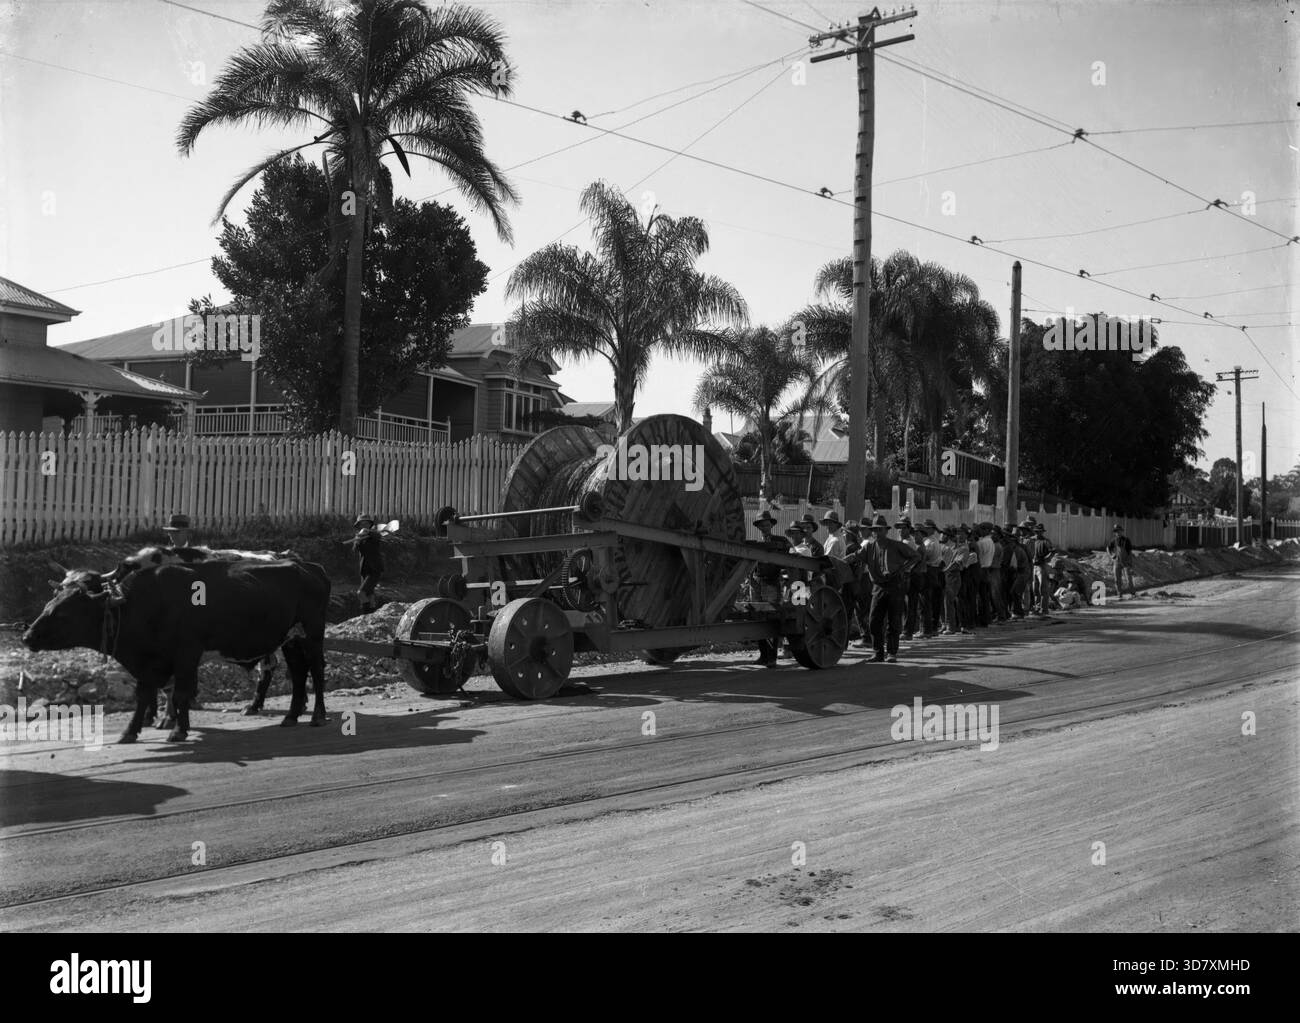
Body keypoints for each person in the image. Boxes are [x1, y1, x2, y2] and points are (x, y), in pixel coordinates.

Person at [862, 513, 922, 663]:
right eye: (874, 530)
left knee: (894, 621)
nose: (876, 533)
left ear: (886, 531)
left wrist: (903, 569)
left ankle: (892, 653)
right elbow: (856, 556)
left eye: (879, 530)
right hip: (878, 586)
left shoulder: (896, 545)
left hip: (895, 585)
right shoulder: (869, 547)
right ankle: (878, 652)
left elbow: (915, 556)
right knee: (874, 620)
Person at [749, 510, 789, 666]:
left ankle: (772, 657)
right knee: (758, 618)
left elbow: (791, 559)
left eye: (767, 524)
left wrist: (784, 576)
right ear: (759, 527)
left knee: (771, 618)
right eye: (761, 525)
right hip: (757, 582)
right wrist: (750, 578)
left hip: (772, 582)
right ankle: (763, 655)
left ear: (771, 525)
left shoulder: (781, 542)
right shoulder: (756, 544)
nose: (764, 527)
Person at [350, 514, 386, 613]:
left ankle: (366, 615)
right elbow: (355, 549)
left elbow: (377, 536)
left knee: (361, 593)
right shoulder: (359, 536)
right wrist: (358, 539)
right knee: (369, 594)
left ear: (370, 524)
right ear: (359, 525)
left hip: (374, 569)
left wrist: (368, 532)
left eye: (366, 523)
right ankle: (372, 614)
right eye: (362, 523)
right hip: (364, 570)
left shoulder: (374, 534)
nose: (364, 525)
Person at [939, 525, 968, 635]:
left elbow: (957, 564)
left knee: (949, 600)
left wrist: (945, 570)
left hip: (953, 577)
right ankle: (944, 624)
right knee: (943, 600)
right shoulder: (947, 548)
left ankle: (951, 626)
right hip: (945, 576)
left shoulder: (963, 549)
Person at [922, 519, 944, 637]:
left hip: (930, 570)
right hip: (934, 571)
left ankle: (928, 629)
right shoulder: (933, 541)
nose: (924, 530)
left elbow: (925, 558)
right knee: (933, 601)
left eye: (926, 528)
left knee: (927, 601)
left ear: (930, 529)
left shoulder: (930, 542)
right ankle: (933, 627)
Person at [1028, 522, 1056, 616]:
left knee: (1042, 588)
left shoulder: (1045, 541)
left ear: (1042, 532)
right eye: (1036, 531)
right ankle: (1037, 607)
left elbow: (1052, 551)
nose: (1038, 533)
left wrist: (1047, 558)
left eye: (1039, 531)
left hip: (1041, 565)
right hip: (1033, 566)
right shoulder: (1031, 540)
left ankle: (1044, 609)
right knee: (1034, 588)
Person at [1107, 524, 1137, 600]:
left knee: (1128, 578)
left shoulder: (1126, 540)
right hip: (1117, 561)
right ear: (1115, 532)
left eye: (1119, 531)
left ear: (1121, 531)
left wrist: (1130, 562)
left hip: (1126, 561)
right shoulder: (1113, 541)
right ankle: (1119, 594)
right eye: (1116, 531)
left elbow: (1129, 552)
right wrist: (1112, 555)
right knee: (1117, 579)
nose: (1118, 533)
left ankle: (1133, 593)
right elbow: (1108, 548)